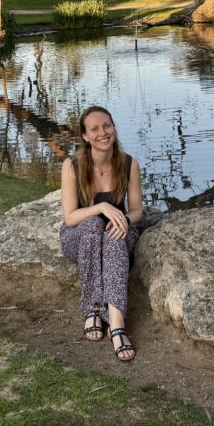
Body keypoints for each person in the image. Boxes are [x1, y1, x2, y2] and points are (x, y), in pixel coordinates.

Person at [59, 105, 143, 362]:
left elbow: (138, 210)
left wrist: (124, 219)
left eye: (107, 126)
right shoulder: (72, 166)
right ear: (85, 136)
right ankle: (93, 309)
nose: (102, 133)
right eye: (94, 129)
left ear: (113, 128)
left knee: (115, 232)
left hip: (114, 234)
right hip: (80, 237)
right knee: (95, 225)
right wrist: (101, 207)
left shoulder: (129, 164)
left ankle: (116, 324)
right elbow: (70, 217)